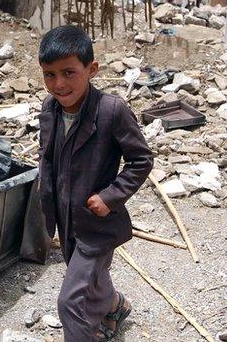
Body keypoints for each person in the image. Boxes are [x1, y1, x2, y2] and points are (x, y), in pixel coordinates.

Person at [37, 25, 153, 341]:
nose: (59, 84)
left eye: (69, 73)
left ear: (92, 69)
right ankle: (114, 306)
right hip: (66, 219)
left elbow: (141, 160)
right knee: (89, 276)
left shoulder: (111, 110)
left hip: (97, 223)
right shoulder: (49, 109)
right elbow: (47, 156)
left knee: (71, 301)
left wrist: (110, 196)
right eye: (49, 75)